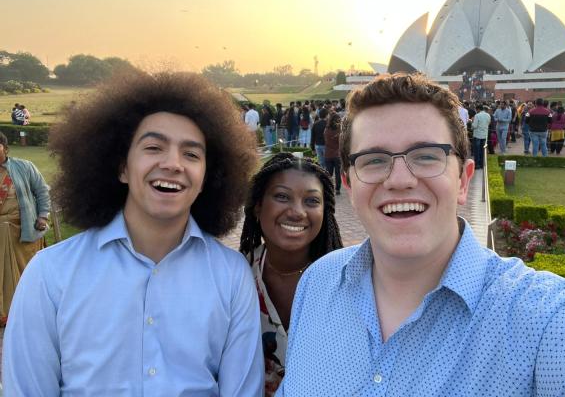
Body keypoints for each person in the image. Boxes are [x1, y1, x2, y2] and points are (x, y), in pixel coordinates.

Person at [276, 73, 565, 396]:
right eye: (374, 160)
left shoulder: (539, 317)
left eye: (426, 156)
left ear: (464, 180)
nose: (400, 180)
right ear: (349, 185)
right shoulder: (317, 283)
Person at [3, 73, 264, 395]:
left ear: (209, 175)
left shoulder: (231, 275)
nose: (173, 164)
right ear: (121, 167)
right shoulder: (50, 273)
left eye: (191, 154)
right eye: (154, 147)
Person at [239, 153, 343, 396]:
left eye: (311, 201)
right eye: (282, 196)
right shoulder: (236, 275)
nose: (297, 212)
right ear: (258, 207)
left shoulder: (344, 279)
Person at [0, 132, 51, 327]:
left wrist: (42, 216)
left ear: (6, 148)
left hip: (23, 232)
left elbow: (41, 191)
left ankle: (26, 309)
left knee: (27, 273)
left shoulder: (24, 167)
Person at [323, 112, 341, 195]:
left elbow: (325, 141)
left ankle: (328, 189)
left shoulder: (326, 129)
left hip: (328, 153)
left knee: (329, 173)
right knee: (338, 173)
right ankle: (337, 189)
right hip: (337, 154)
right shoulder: (339, 130)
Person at [471, 104, 490, 169]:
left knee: (477, 151)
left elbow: (474, 126)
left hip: (477, 135)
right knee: (483, 150)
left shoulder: (477, 115)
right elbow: (488, 123)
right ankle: (482, 164)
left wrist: (472, 122)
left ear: (478, 109)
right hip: (484, 135)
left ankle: (477, 165)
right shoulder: (488, 115)